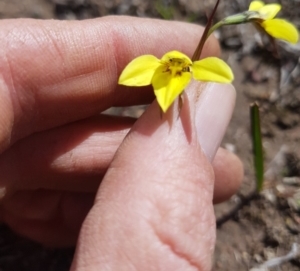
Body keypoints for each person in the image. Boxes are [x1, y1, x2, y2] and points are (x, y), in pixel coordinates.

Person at [0, 16, 243, 271]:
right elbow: (134, 76)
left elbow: (219, 73)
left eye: (181, 66)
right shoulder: (148, 67)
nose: (175, 68)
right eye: (172, 64)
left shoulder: (201, 69)